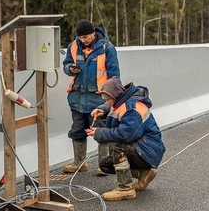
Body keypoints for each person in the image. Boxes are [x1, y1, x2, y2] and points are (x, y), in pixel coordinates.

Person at [86, 77, 166, 201]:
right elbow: (113, 107)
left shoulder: (132, 109)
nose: (107, 102)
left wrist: (99, 133)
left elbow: (126, 135)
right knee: (106, 165)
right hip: (144, 148)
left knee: (117, 147)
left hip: (149, 150)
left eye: (107, 100)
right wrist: (102, 110)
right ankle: (144, 173)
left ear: (116, 96)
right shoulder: (122, 100)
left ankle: (125, 189)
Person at [62, 19, 121, 175]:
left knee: (101, 131)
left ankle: (104, 165)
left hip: (98, 100)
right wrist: (70, 69)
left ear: (93, 33)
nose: (84, 40)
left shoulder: (107, 48)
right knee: (77, 130)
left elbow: (114, 75)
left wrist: (111, 98)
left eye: (86, 37)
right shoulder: (73, 47)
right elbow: (66, 64)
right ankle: (79, 163)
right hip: (77, 98)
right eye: (81, 38)